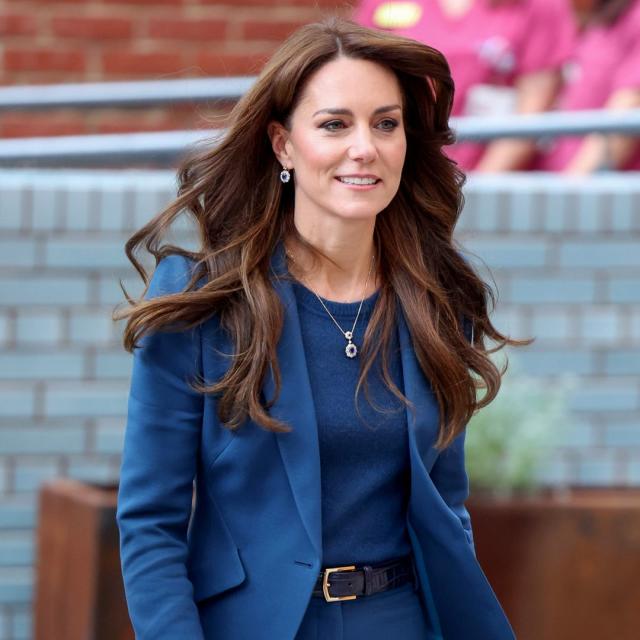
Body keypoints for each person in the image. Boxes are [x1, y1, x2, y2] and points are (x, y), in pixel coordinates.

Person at [114, 16, 525, 640]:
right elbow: (150, 524)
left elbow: (447, 505)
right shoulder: (203, 302)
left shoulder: (437, 299)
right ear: (283, 145)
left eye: (386, 124)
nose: (365, 147)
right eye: (335, 123)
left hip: (402, 621)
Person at [354, 0, 576, 171]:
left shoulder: (538, 6)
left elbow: (531, 116)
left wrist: (472, 195)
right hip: (404, 177)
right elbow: (363, 90)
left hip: (492, 190)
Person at [536, 0, 640, 172]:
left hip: (598, 193)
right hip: (561, 183)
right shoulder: (602, 18)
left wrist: (567, 192)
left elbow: (623, 122)